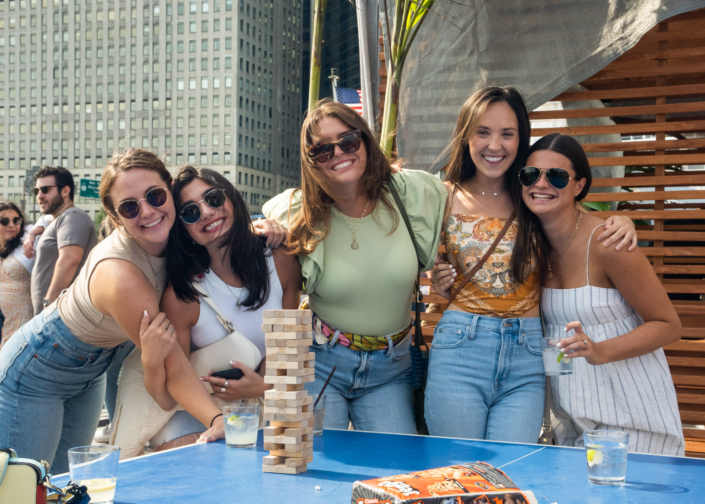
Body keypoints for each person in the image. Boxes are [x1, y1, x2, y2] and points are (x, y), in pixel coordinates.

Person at [428, 86, 637, 443]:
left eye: (507, 134)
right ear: (466, 136)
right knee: (455, 473)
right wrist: (437, 278)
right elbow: (419, 260)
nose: (495, 145)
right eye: (483, 132)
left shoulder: (531, 191)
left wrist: (621, 221)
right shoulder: (441, 195)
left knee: (512, 475)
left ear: (521, 138)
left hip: (526, 353)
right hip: (461, 346)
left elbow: (575, 220)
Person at [264, 99, 447, 433]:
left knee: (394, 475)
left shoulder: (408, 196)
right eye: (322, 150)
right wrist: (255, 229)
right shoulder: (295, 212)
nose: (338, 154)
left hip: (392, 370)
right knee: (314, 473)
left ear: (364, 140)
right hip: (320, 362)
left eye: (348, 142)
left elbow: (468, 201)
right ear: (311, 161)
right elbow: (242, 235)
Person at [517, 133, 684, 455]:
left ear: (579, 186)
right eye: (530, 174)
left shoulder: (609, 243)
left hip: (633, 422)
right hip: (572, 423)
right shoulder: (528, 247)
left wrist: (599, 350)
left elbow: (668, 324)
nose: (541, 183)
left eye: (557, 176)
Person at [127, 166, 302, 452]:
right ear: (183, 230)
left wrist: (265, 387)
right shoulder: (183, 295)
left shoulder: (282, 261)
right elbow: (177, 379)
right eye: (191, 212)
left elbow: (286, 349)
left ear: (231, 198)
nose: (207, 212)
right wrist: (217, 418)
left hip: (262, 400)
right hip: (197, 410)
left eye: (213, 198)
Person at [30, 166, 98, 315]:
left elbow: (69, 260)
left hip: (60, 315)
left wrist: (49, 303)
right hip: (52, 315)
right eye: (37, 191)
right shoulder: (57, 220)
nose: (39, 196)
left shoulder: (73, 216)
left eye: (45, 189)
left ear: (65, 191)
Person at [0, 202, 36, 347]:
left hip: (21, 315)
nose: (12, 224)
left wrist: (32, 234)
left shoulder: (27, 241)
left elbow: (48, 221)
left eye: (16, 220)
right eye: (4, 221)